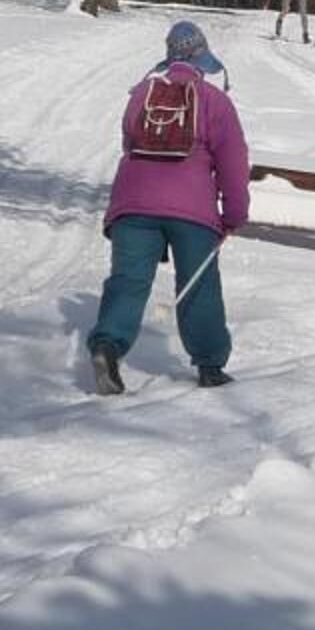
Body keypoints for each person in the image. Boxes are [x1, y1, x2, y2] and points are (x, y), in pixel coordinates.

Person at [89, 19, 250, 393]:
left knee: (128, 281)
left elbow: (130, 142)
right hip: (191, 209)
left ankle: (107, 346)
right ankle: (210, 365)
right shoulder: (215, 101)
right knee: (199, 285)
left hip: (133, 203)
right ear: (202, 60)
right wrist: (235, 214)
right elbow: (233, 162)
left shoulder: (142, 93)